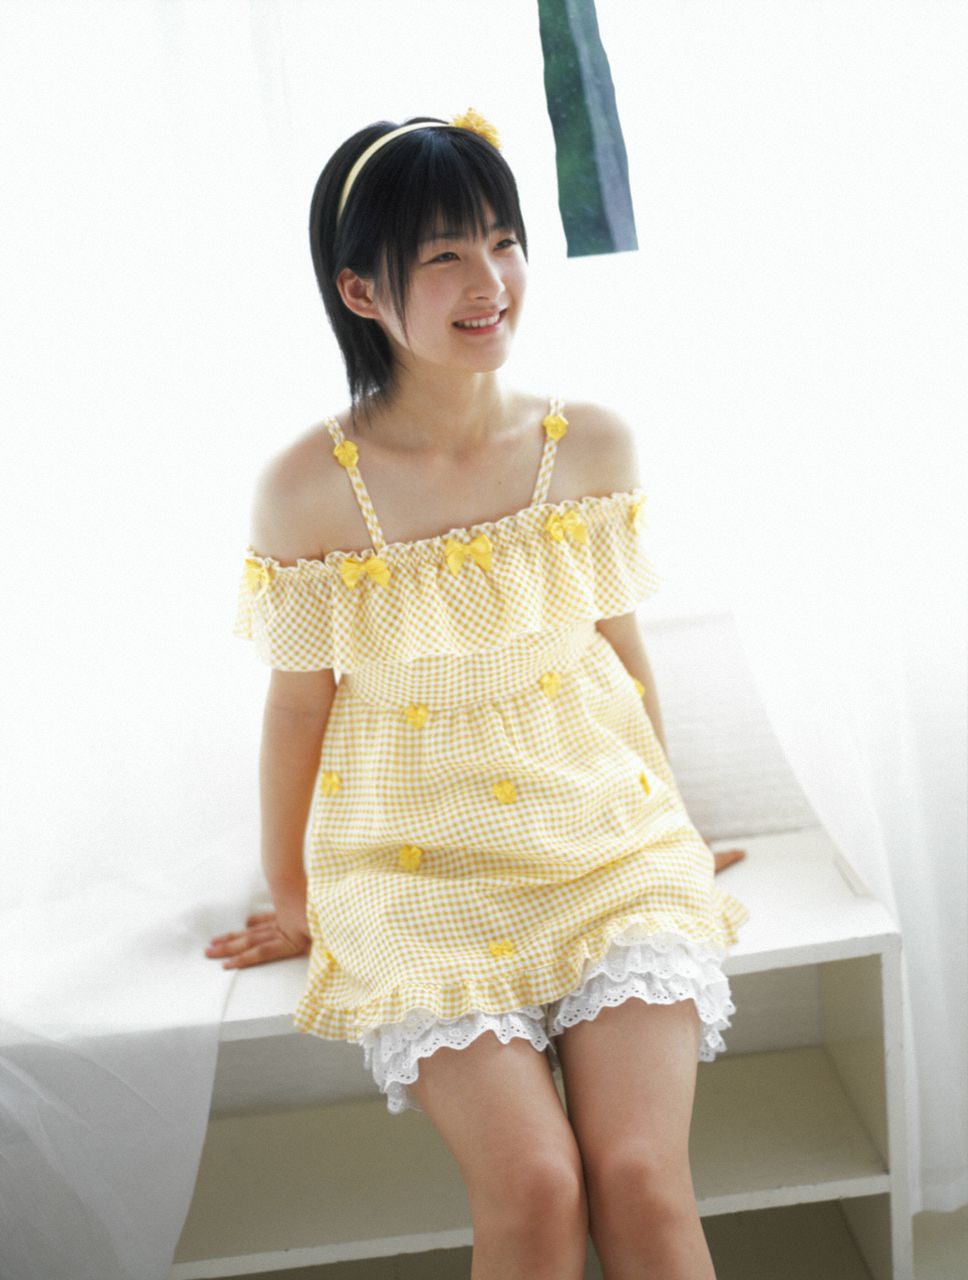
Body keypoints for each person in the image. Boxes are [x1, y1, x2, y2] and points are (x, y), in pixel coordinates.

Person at [206, 110, 749, 1280]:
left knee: (640, 1173)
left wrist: (669, 820)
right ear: (360, 289)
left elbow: (620, 649)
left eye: (502, 241)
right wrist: (295, 896)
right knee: (536, 1183)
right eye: (445, 253)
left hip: (602, 843)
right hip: (411, 870)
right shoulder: (308, 488)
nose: (488, 279)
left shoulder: (588, 443)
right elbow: (297, 708)